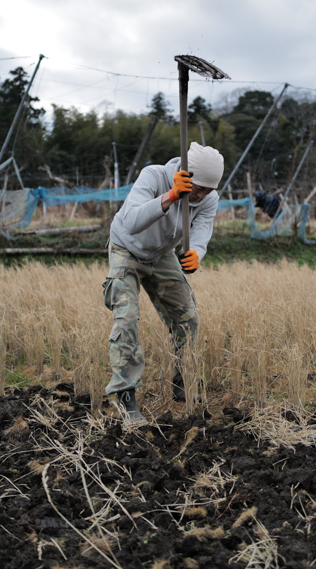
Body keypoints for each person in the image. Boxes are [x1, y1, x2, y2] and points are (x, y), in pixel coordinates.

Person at [103, 141, 224, 424]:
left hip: (161, 254)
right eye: (198, 188)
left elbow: (202, 230)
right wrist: (170, 196)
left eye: (208, 190)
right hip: (126, 248)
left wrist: (198, 254)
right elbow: (131, 221)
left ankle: (183, 382)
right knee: (127, 320)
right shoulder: (154, 176)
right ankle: (125, 395)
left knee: (187, 318)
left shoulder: (208, 197)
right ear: (186, 174)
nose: (201, 195)